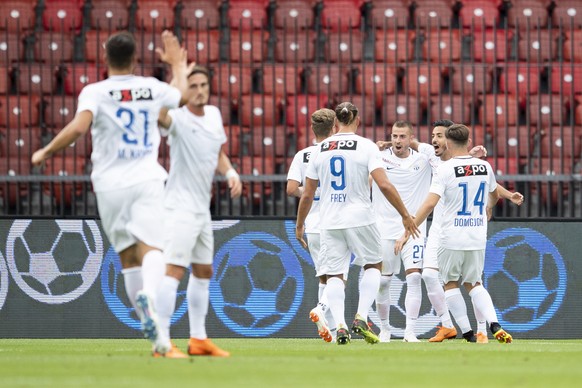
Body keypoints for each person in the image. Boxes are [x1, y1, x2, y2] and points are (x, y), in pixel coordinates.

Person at [31, 31, 191, 354]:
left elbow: (78, 127)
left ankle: (158, 339)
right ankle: (149, 293)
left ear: (105, 57)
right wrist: (177, 65)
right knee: (154, 248)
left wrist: (46, 151)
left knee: (128, 256)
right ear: (135, 58)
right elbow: (182, 96)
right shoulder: (152, 87)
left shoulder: (95, 91)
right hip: (146, 178)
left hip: (107, 184)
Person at [295, 102, 420, 345]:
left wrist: (300, 225)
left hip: (329, 220)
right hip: (361, 217)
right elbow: (383, 184)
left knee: (334, 275)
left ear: (335, 124)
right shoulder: (366, 146)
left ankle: (340, 326)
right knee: (373, 265)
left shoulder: (320, 149)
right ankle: (361, 316)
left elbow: (308, 194)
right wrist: (405, 214)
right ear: (357, 121)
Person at [154, 64, 242, 358]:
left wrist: (230, 172)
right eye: (193, 86)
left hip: (201, 209)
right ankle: (162, 342)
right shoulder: (177, 117)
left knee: (204, 271)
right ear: (184, 90)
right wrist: (177, 76)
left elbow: (218, 152)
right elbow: (159, 115)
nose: (200, 90)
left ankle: (198, 339)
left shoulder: (215, 115)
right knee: (174, 271)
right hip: (179, 207)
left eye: (203, 84)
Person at [410, 123, 513, 344]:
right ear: (468, 142)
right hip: (476, 236)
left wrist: (409, 226)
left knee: (450, 284)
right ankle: (494, 324)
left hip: (451, 236)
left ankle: (467, 333)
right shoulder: (484, 167)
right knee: (475, 283)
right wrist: (489, 206)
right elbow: (494, 195)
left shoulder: (444, 169)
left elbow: (429, 203)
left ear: (448, 142)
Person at [372, 120, 433, 343]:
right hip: (384, 228)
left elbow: (446, 156)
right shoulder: (379, 157)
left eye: (402, 137)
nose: (398, 141)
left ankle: (410, 331)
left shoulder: (424, 158)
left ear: (411, 138)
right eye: (394, 136)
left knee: (415, 277)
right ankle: (385, 329)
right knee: (384, 282)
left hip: (414, 229)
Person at [287, 108, 337, 342]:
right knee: (337, 277)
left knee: (324, 277)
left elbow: (290, 189)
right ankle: (322, 311)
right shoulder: (335, 152)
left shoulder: (303, 155)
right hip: (336, 222)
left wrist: (310, 192)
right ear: (334, 128)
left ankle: (333, 331)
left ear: (312, 129)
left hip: (313, 225)